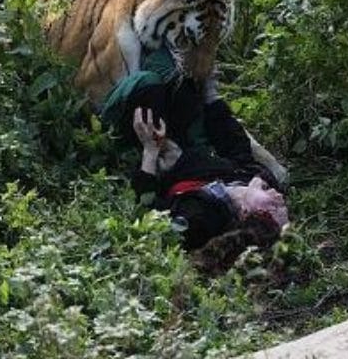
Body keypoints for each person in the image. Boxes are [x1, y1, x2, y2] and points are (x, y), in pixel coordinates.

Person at [100, 45, 288, 251]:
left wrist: (150, 152)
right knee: (182, 75)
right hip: (186, 144)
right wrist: (211, 92)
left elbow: (147, 210)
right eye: (281, 202)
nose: (278, 197)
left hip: (149, 151)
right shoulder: (257, 178)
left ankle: (97, 109)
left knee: (150, 83)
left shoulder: (200, 218)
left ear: (245, 212)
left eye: (273, 206)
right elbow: (236, 146)